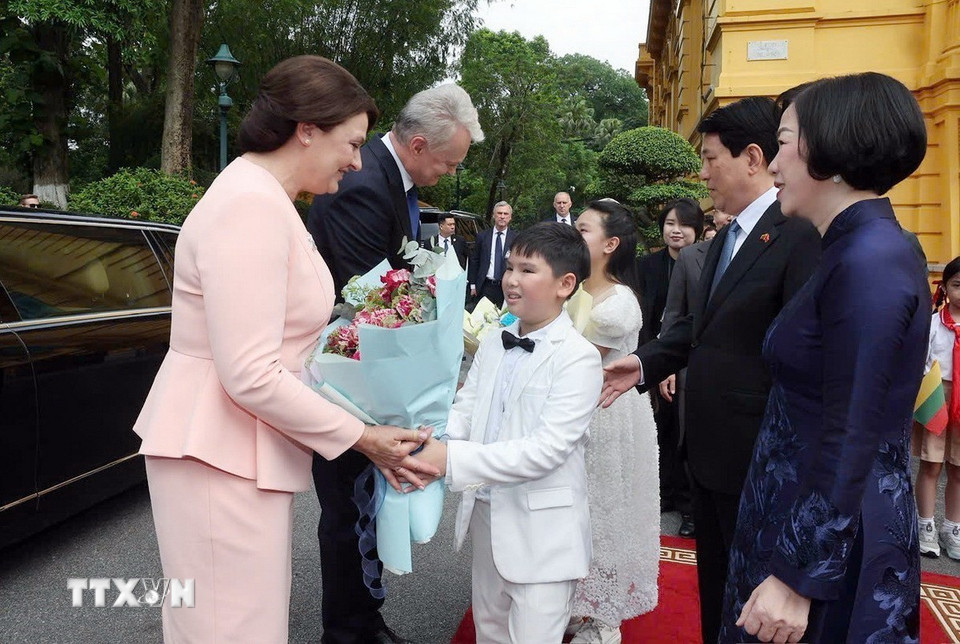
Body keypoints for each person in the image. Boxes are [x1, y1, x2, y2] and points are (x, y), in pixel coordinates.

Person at [132, 56, 437, 643]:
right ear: (307, 129)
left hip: (226, 447)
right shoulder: (250, 204)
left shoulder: (263, 197)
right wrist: (361, 434)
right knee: (231, 628)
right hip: (217, 450)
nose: (356, 160)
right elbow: (249, 371)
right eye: (351, 143)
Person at [599, 96, 821, 643]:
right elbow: (703, 323)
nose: (702, 174)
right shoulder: (729, 236)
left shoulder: (798, 234)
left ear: (751, 158)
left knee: (754, 600)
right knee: (718, 588)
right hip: (709, 449)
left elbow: (799, 357)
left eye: (710, 159)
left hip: (756, 456)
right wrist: (645, 361)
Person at [721, 72, 928, 643]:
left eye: (783, 142)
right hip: (805, 516)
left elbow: (852, 428)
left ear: (830, 149)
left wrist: (798, 577)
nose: (774, 163)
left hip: (829, 542)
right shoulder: (851, 248)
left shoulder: (871, 260)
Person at [306, 82, 482, 644]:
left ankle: (362, 617)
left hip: (374, 373)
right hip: (353, 381)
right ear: (421, 144)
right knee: (347, 511)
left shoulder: (389, 179)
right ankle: (348, 628)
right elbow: (372, 299)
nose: (450, 174)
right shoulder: (365, 183)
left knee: (365, 504)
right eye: (450, 162)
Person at [418, 222, 601, 643]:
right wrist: (428, 438)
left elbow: (546, 451)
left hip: (544, 534)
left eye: (527, 270)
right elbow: (467, 411)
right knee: (490, 633)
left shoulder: (579, 359)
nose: (511, 280)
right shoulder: (495, 342)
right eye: (508, 268)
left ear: (565, 283)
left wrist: (448, 460)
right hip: (486, 517)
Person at [568, 201, 660, 644]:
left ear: (609, 244)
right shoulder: (573, 290)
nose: (572, 234)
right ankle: (573, 603)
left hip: (606, 417)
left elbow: (580, 364)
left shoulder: (618, 302)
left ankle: (602, 618)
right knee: (571, 511)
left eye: (581, 229)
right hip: (573, 414)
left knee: (603, 511)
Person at [308, 83, 483, 296]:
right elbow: (367, 296)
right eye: (449, 163)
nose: (452, 173)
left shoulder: (395, 179)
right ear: (417, 146)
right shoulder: (363, 190)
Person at [637, 198, 703, 539]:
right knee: (661, 430)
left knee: (687, 433)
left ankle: (691, 507)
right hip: (654, 358)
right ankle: (665, 494)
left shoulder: (706, 263)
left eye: (684, 225)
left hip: (691, 362)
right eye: (670, 224)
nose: (676, 231)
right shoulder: (647, 265)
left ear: (697, 230)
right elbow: (644, 317)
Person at [915, 256, 960, 560]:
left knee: (958, 469)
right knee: (931, 464)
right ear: (944, 287)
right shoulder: (932, 324)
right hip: (936, 394)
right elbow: (920, 362)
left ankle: (953, 527)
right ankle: (925, 525)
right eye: (957, 286)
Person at [469, 201, 515, 306]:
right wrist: (472, 285)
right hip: (486, 286)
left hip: (507, 286)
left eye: (505, 214)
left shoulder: (515, 238)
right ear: (494, 216)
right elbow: (475, 260)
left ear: (510, 217)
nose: (502, 216)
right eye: (499, 213)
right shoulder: (482, 236)